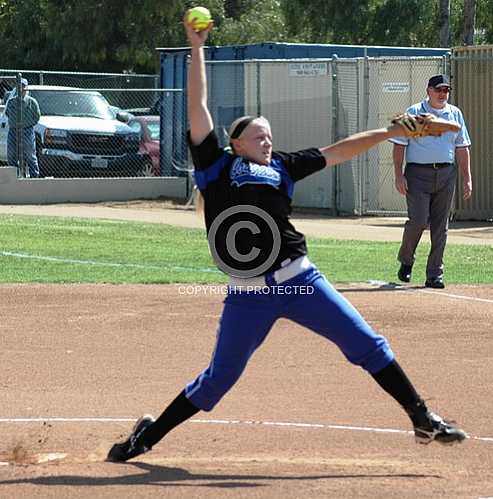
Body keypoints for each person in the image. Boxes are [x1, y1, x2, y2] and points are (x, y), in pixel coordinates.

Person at [106, 17, 467, 463]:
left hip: (300, 282)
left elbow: (341, 149)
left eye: (270, 136)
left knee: (368, 345)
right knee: (218, 380)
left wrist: (392, 132)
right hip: (249, 295)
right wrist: (197, 48)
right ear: (235, 142)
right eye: (259, 135)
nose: (268, 140)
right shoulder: (215, 168)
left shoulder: (283, 167)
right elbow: (197, 106)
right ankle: (147, 436)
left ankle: (422, 418)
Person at [391, 74, 472, 289]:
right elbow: (399, 145)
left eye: (446, 90)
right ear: (428, 90)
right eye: (438, 89)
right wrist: (398, 175)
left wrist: (467, 178)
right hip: (417, 174)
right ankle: (406, 260)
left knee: (440, 227)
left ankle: (435, 274)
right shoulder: (413, 112)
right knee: (418, 220)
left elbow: (462, 147)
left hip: (446, 174)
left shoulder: (455, 114)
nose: (442, 94)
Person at [5, 78, 41, 178]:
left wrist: (26, 124)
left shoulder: (32, 102)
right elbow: (8, 113)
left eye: (23, 87)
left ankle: (34, 177)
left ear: (26, 88)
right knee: (11, 154)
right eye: (19, 86)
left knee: (30, 155)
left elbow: (37, 117)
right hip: (13, 131)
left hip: (27, 131)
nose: (21, 89)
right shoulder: (11, 102)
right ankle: (15, 176)